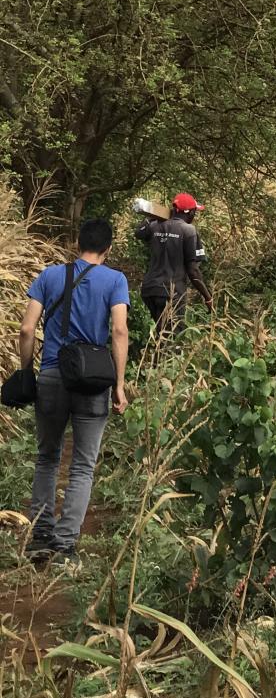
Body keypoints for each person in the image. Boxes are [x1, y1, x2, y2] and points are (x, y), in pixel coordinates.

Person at [16, 219, 130, 563]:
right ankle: (65, 545)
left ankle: (40, 536)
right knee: (82, 465)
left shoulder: (50, 276)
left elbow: (25, 328)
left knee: (47, 457)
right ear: (107, 249)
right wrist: (119, 385)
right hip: (92, 381)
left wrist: (25, 372)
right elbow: (120, 330)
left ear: (77, 244)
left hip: (51, 375)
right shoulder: (115, 280)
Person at [135, 191, 214, 337]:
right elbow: (193, 271)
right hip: (171, 293)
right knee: (172, 340)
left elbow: (138, 233)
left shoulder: (155, 226)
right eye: (194, 211)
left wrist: (152, 217)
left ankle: (154, 359)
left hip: (150, 290)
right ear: (189, 212)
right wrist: (208, 297)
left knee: (161, 334)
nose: (195, 215)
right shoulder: (188, 230)